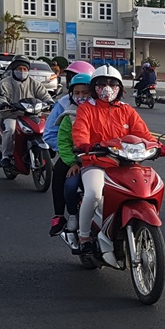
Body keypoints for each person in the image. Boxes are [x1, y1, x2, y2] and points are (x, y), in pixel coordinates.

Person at [69, 65, 162, 264]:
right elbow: (80, 131)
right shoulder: (86, 108)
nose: (107, 88)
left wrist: (158, 145)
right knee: (93, 193)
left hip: (125, 163)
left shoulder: (127, 110)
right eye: (102, 84)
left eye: (112, 84)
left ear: (120, 87)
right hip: (96, 162)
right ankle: (84, 237)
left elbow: (142, 133)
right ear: (94, 87)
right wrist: (84, 145)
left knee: (146, 187)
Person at [43, 60, 96, 235]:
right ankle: (60, 215)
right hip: (71, 154)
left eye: (86, 91)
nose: (81, 95)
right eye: (72, 79)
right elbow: (51, 134)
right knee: (60, 175)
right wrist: (71, 157)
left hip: (99, 156)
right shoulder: (65, 107)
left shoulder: (103, 106)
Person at [0, 57, 53, 163]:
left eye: (25, 69)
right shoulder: (5, 83)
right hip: (12, 115)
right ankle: (6, 156)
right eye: (19, 69)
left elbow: (45, 95)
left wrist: (50, 102)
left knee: (46, 128)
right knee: (10, 130)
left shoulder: (34, 83)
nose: (22, 71)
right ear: (14, 69)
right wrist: (3, 104)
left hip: (33, 115)